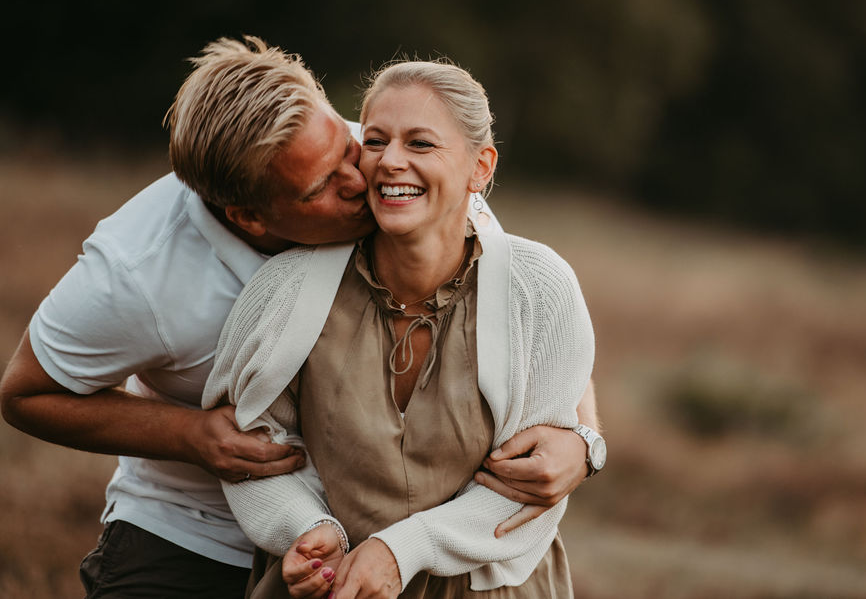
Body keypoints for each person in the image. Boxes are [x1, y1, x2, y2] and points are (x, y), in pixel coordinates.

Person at [0, 38, 602, 598]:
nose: (363, 179)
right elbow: (24, 394)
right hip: (192, 528)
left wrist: (581, 437)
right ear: (251, 217)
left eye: (347, 145)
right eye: (323, 185)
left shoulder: (385, 160)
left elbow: (530, 326)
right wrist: (195, 436)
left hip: (372, 549)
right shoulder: (138, 273)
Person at [204, 59, 600, 598]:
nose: (390, 162)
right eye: (374, 141)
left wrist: (401, 550)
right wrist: (305, 529)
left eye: (420, 144)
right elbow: (251, 450)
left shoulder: (539, 288)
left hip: (485, 587)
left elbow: (528, 487)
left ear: (480, 167)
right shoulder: (284, 288)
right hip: (332, 587)